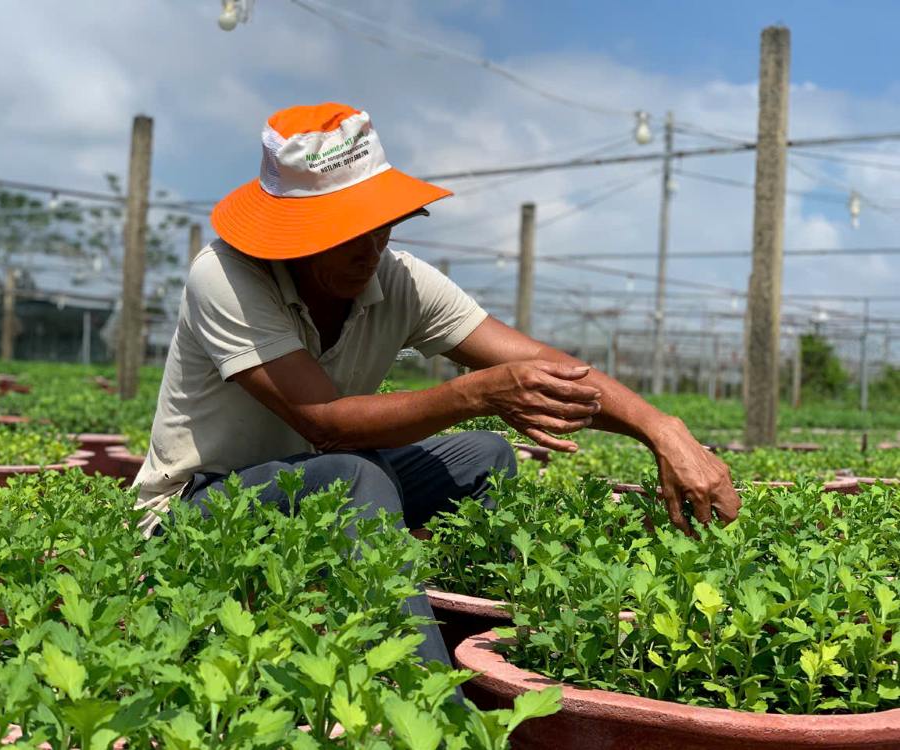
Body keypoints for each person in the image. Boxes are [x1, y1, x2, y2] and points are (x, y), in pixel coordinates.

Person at [133, 102, 740, 664]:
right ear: (293, 229)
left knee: (484, 455)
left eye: (382, 225)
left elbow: (548, 367)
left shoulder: (399, 280)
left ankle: (498, 640)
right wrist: (478, 392)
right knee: (354, 476)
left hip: (308, 485)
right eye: (345, 230)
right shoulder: (226, 277)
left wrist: (662, 430)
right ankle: (428, 701)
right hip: (199, 509)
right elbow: (324, 424)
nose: (370, 248)